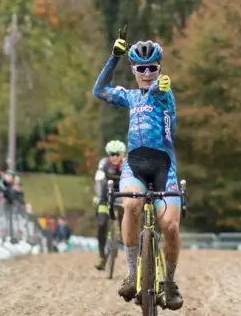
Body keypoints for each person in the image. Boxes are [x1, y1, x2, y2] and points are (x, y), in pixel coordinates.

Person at [92, 36, 183, 310]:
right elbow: (99, 90)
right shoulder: (129, 97)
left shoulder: (165, 92)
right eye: (140, 68)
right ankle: (131, 273)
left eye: (151, 68)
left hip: (163, 166)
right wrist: (114, 57)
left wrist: (161, 91)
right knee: (130, 204)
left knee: (170, 226)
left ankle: (169, 281)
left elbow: (172, 127)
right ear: (133, 70)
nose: (146, 73)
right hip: (135, 164)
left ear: (159, 69)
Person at [93, 139, 126, 271]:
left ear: (122, 154)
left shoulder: (126, 165)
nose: (114, 157)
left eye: (117, 154)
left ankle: (122, 237)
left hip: (122, 196)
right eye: (111, 154)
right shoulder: (104, 163)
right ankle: (102, 256)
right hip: (105, 197)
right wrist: (99, 196)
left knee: (127, 216)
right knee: (101, 224)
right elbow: (98, 180)